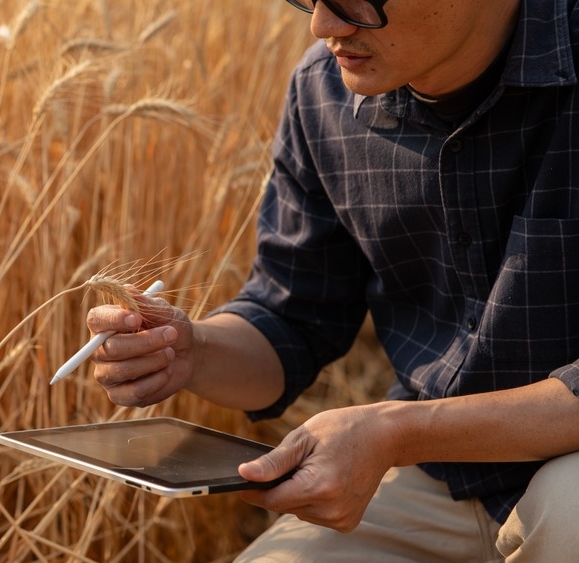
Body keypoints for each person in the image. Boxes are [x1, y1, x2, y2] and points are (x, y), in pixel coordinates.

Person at [85, 0, 579, 560]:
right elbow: (291, 317)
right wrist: (189, 350)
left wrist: (397, 431)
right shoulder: (323, 91)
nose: (323, 27)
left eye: (356, 0)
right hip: (436, 473)